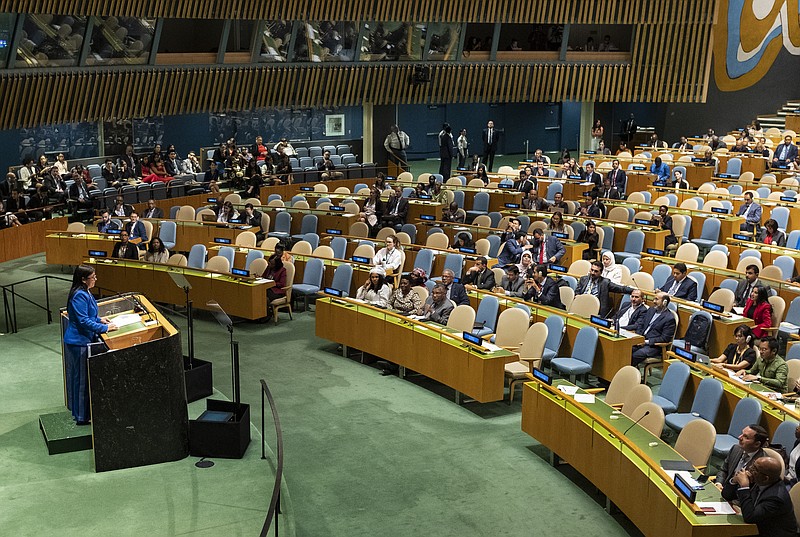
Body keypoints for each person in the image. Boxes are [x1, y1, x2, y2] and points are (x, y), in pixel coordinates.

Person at [64, 265, 117, 425]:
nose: (95, 279)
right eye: (93, 277)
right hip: (78, 342)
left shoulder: (85, 291)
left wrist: (100, 319)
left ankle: (81, 413)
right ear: (83, 279)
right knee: (81, 381)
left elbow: (89, 315)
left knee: (82, 379)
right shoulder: (79, 295)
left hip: (83, 340)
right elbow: (82, 320)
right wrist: (105, 328)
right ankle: (81, 417)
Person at [734, 456, 797, 536]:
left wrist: (744, 487)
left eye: (754, 469)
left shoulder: (776, 498)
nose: (750, 469)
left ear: (765, 478)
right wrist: (734, 480)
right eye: (752, 465)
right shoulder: (760, 480)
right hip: (755, 529)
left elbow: (750, 517)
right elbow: (727, 495)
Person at [715, 424, 768, 501]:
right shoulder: (736, 449)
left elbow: (754, 493)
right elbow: (724, 470)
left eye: (746, 437)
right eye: (742, 434)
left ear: (757, 444)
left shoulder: (761, 464)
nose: (739, 438)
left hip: (739, 501)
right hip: (724, 491)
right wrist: (719, 483)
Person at [630, 292, 676, 366]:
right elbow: (641, 325)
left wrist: (646, 342)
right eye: (654, 299)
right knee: (626, 348)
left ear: (664, 302)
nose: (654, 301)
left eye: (656, 299)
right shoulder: (651, 310)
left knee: (636, 355)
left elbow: (664, 338)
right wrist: (638, 337)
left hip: (654, 346)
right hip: (641, 340)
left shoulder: (669, 318)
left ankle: (629, 373)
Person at [261, 252, 287, 320]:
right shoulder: (268, 268)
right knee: (258, 293)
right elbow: (263, 277)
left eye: (272, 264)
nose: (270, 265)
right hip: (266, 288)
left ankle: (267, 315)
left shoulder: (282, 270)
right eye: (269, 263)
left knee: (263, 296)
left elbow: (282, 284)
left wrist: (271, 283)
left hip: (277, 291)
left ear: (276, 264)